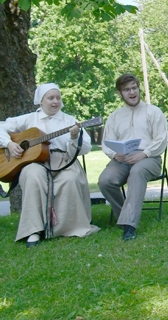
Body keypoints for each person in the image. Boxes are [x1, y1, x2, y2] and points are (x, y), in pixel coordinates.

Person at [0, 83, 98, 246]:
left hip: (64, 160)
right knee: (32, 176)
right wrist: (9, 144)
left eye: (58, 98)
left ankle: (69, 228)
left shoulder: (69, 120)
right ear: (41, 100)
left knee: (70, 179)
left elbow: (85, 147)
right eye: (50, 98)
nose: (55, 101)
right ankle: (33, 230)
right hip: (35, 161)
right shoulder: (29, 119)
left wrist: (74, 137)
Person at [98, 73, 168, 241]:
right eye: (127, 90)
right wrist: (115, 154)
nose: (132, 92)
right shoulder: (115, 116)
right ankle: (125, 214)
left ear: (138, 88)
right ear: (120, 93)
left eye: (134, 88)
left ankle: (129, 226)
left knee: (137, 172)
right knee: (105, 181)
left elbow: (161, 140)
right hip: (122, 159)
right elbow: (107, 142)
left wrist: (143, 154)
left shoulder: (153, 112)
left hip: (149, 158)